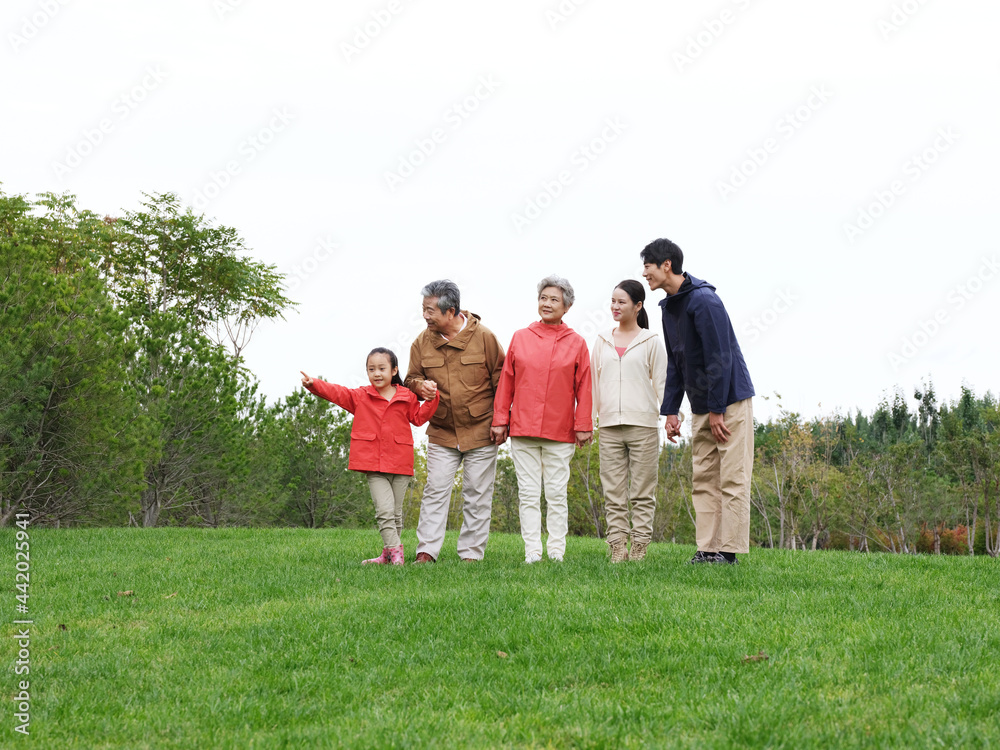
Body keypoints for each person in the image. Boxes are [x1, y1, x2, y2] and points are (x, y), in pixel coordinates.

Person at [641, 238, 755, 565]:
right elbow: (676, 364)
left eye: (647, 266)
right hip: (702, 405)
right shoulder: (669, 307)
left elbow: (720, 358)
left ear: (666, 265)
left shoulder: (705, 301)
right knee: (704, 478)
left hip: (728, 401)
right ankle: (707, 549)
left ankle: (729, 553)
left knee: (731, 478)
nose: (644, 273)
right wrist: (670, 412)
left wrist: (718, 410)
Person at [300, 348, 439, 566]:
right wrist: (314, 384)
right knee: (384, 511)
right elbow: (338, 393)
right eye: (371, 369)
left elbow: (420, 418)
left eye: (382, 368)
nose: (376, 373)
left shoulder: (407, 397)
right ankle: (396, 555)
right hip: (373, 463)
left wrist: (432, 398)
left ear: (394, 370)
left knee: (395, 514)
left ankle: (386, 555)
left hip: (400, 462)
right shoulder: (360, 396)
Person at [491, 275, 593, 563]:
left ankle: (557, 551)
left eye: (554, 300)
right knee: (528, 494)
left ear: (567, 307)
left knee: (557, 495)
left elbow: (585, 387)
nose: (547, 303)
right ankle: (533, 552)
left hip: (560, 432)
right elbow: (506, 383)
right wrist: (500, 419)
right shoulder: (521, 337)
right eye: (543, 298)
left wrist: (584, 425)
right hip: (523, 430)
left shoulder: (577, 343)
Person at [405, 280, 506, 564]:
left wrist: (501, 421)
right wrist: (418, 386)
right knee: (435, 491)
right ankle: (426, 553)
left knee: (477, 494)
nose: (425, 315)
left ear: (451, 312)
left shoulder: (485, 337)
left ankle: (471, 556)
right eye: (423, 309)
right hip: (442, 430)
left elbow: (502, 381)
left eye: (430, 310)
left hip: (482, 429)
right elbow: (410, 377)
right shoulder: (421, 342)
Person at [591, 280, 667, 563]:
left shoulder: (651, 341)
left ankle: (639, 546)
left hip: (643, 426)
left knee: (643, 491)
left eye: (621, 302)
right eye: (612, 301)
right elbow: (593, 385)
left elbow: (662, 382)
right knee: (613, 491)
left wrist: (672, 416)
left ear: (638, 306)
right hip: (609, 425)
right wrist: (590, 419)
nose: (615, 306)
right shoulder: (601, 341)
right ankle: (617, 546)